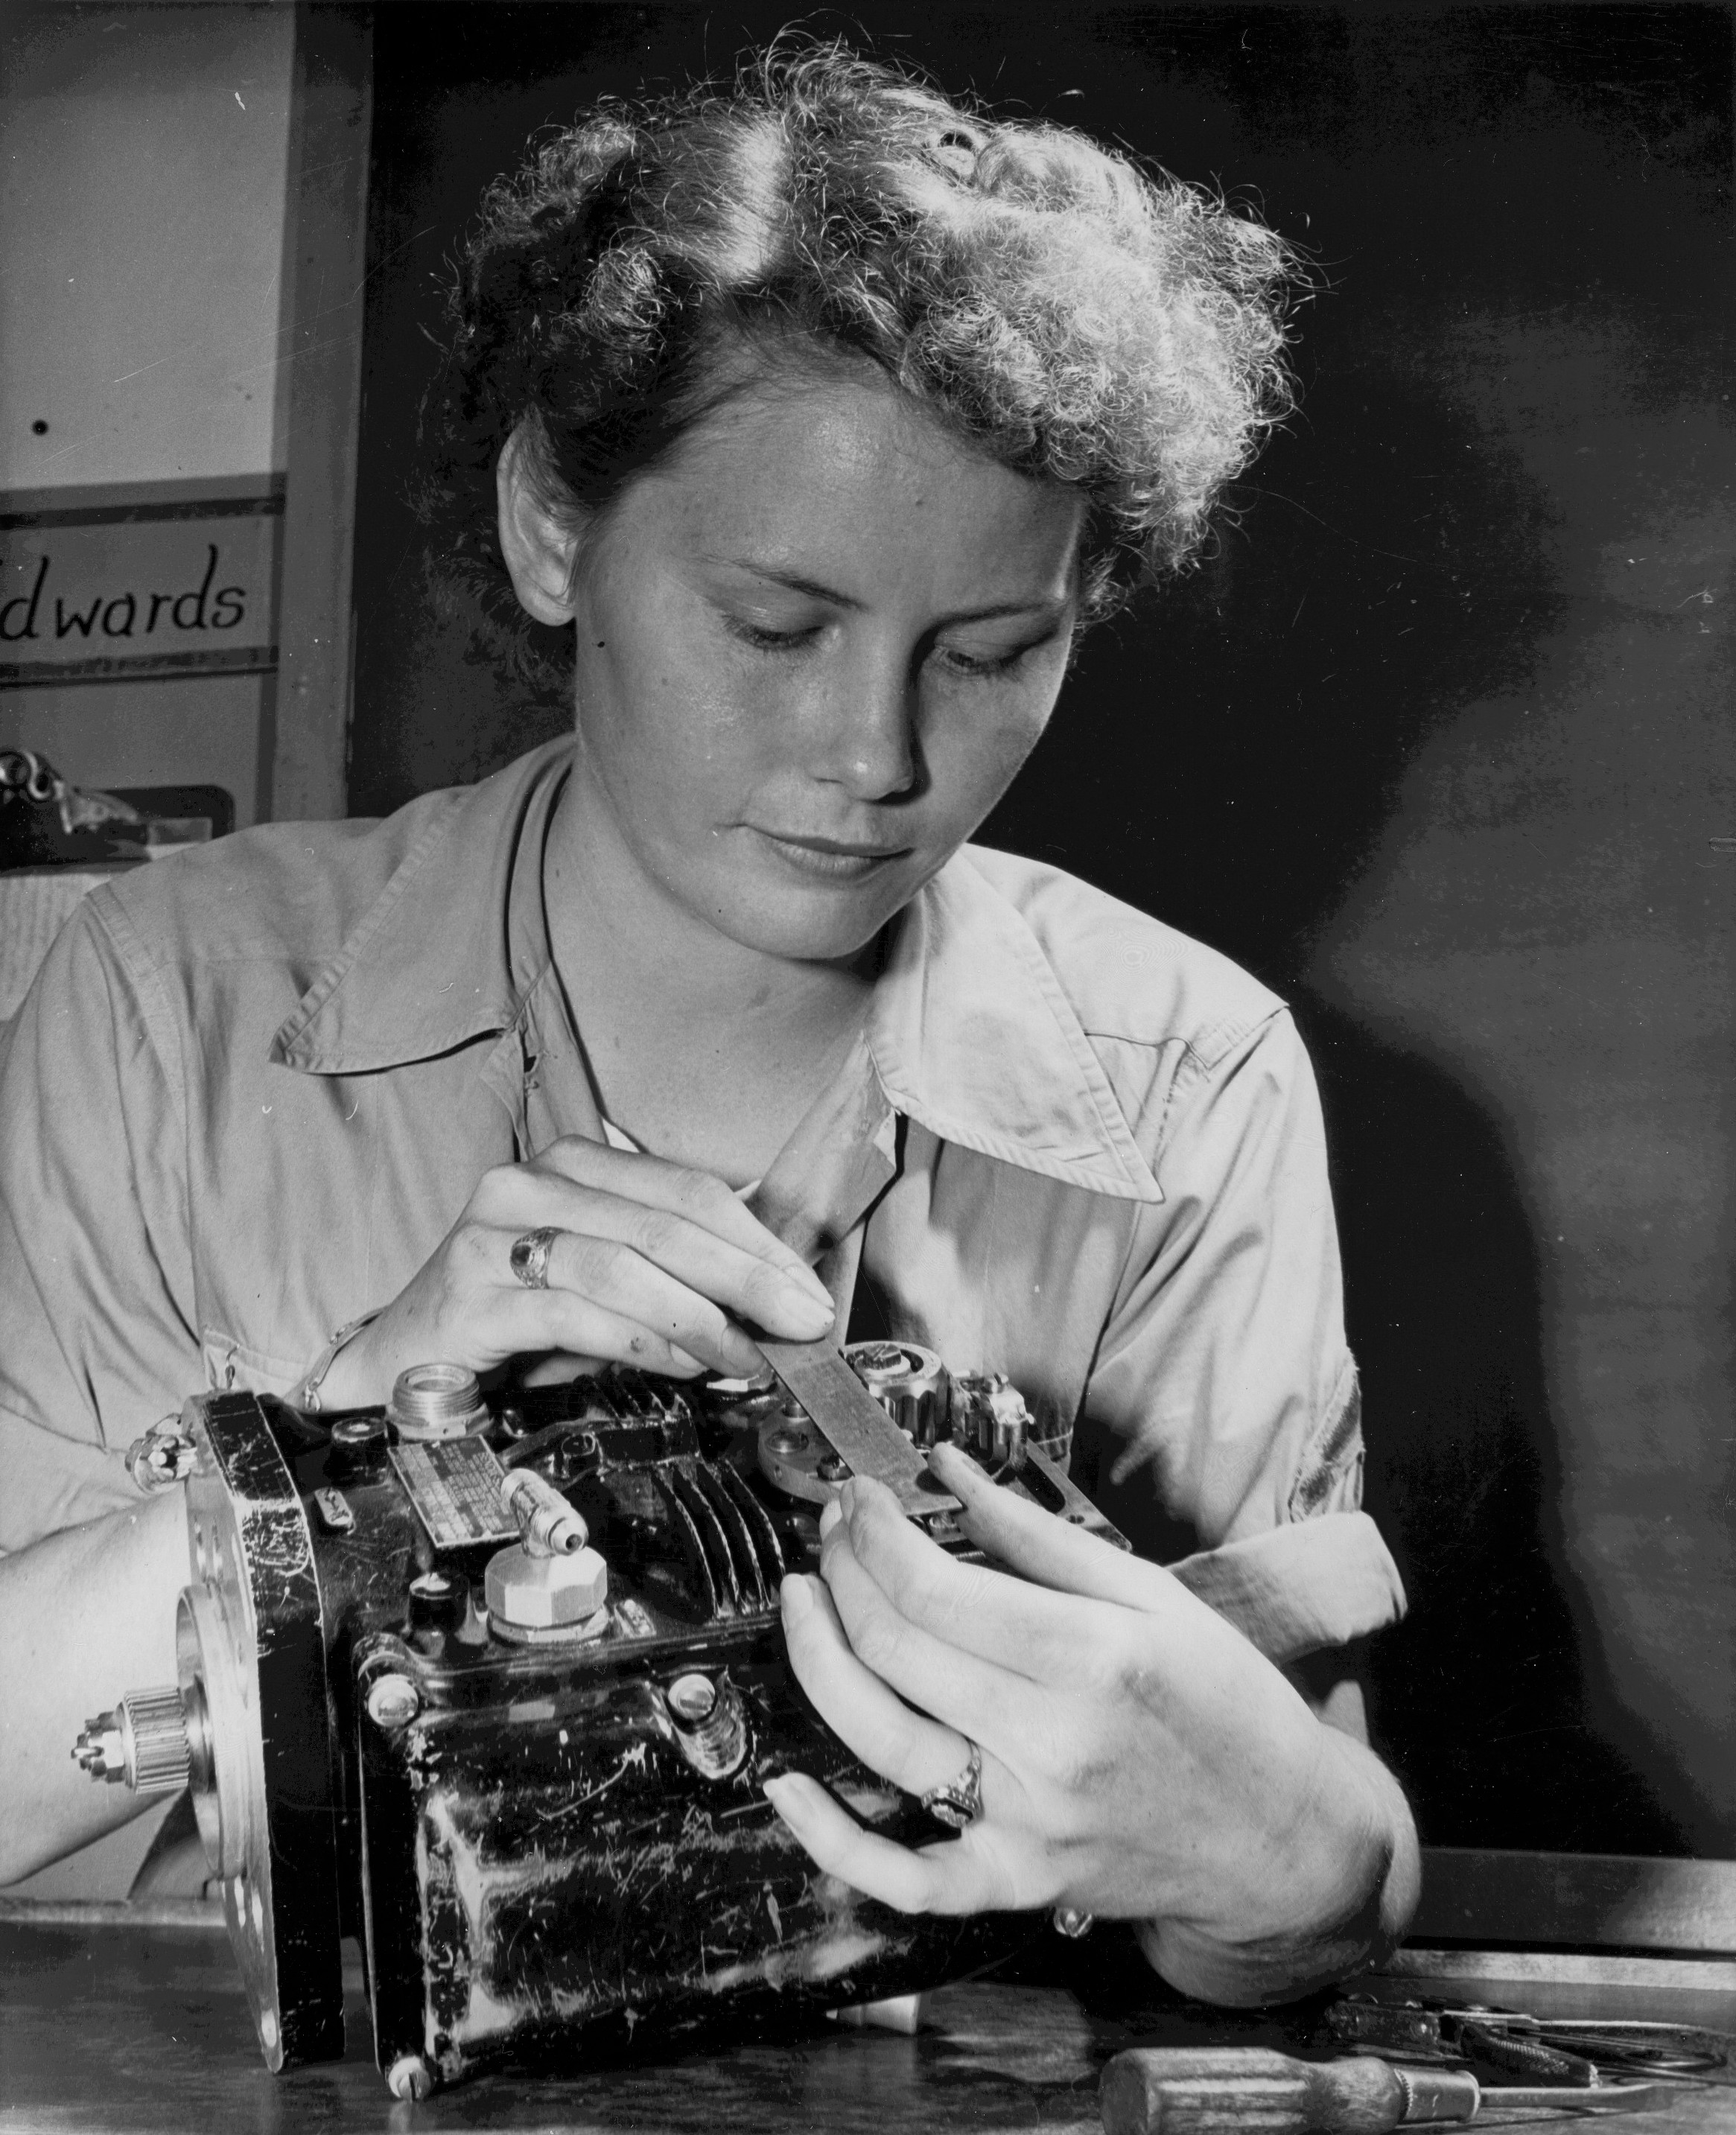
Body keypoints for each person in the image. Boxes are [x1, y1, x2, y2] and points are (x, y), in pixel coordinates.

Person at [0, 45, 1417, 1999]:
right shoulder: (169, 1002)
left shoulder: (1187, 1079)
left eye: (998, 651)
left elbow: (1282, 1889)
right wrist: (333, 1459)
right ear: (552, 531)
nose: (875, 755)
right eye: (775, 625)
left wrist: (1309, 1861)